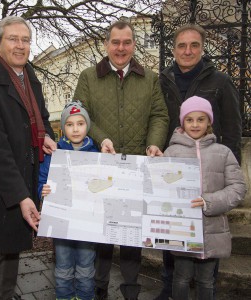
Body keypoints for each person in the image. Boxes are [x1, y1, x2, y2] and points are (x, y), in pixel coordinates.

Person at [74, 20, 169, 300]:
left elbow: (159, 115)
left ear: (133, 45)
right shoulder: (88, 77)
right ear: (106, 45)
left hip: (138, 167)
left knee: (131, 235)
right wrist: (102, 138)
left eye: (127, 42)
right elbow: (80, 114)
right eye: (115, 42)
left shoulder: (150, 78)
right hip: (102, 166)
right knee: (101, 234)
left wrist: (154, 143)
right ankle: (99, 288)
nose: (121, 48)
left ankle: (130, 290)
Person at [0, 16, 56, 300]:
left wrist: (48, 136)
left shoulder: (31, 81)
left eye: (26, 40)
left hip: (25, 177)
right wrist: (20, 195)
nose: (20, 46)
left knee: (13, 251)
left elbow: (41, 119)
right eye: (13, 39)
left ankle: (7, 295)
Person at [157, 23, 242, 300]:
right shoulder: (163, 79)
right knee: (174, 249)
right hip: (175, 172)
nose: (187, 50)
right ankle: (170, 291)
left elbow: (232, 129)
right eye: (182, 45)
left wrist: (226, 171)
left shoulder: (219, 81)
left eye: (194, 45)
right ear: (173, 49)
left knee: (208, 256)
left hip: (210, 175)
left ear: (202, 48)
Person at [163, 96, 246, 300]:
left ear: (209, 121)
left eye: (201, 119)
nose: (195, 124)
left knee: (206, 280)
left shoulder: (223, 152)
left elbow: (238, 187)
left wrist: (210, 201)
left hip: (213, 230)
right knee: (181, 278)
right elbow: (160, 187)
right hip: (182, 230)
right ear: (182, 121)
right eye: (190, 119)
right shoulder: (171, 152)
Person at [38, 100, 98, 300]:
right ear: (63, 127)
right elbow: (42, 178)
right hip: (61, 224)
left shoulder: (95, 152)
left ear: (87, 126)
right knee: (63, 267)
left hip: (87, 225)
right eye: (70, 124)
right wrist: (42, 189)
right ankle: (64, 296)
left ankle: (85, 296)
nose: (75, 129)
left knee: (86, 266)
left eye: (80, 124)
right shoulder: (54, 153)